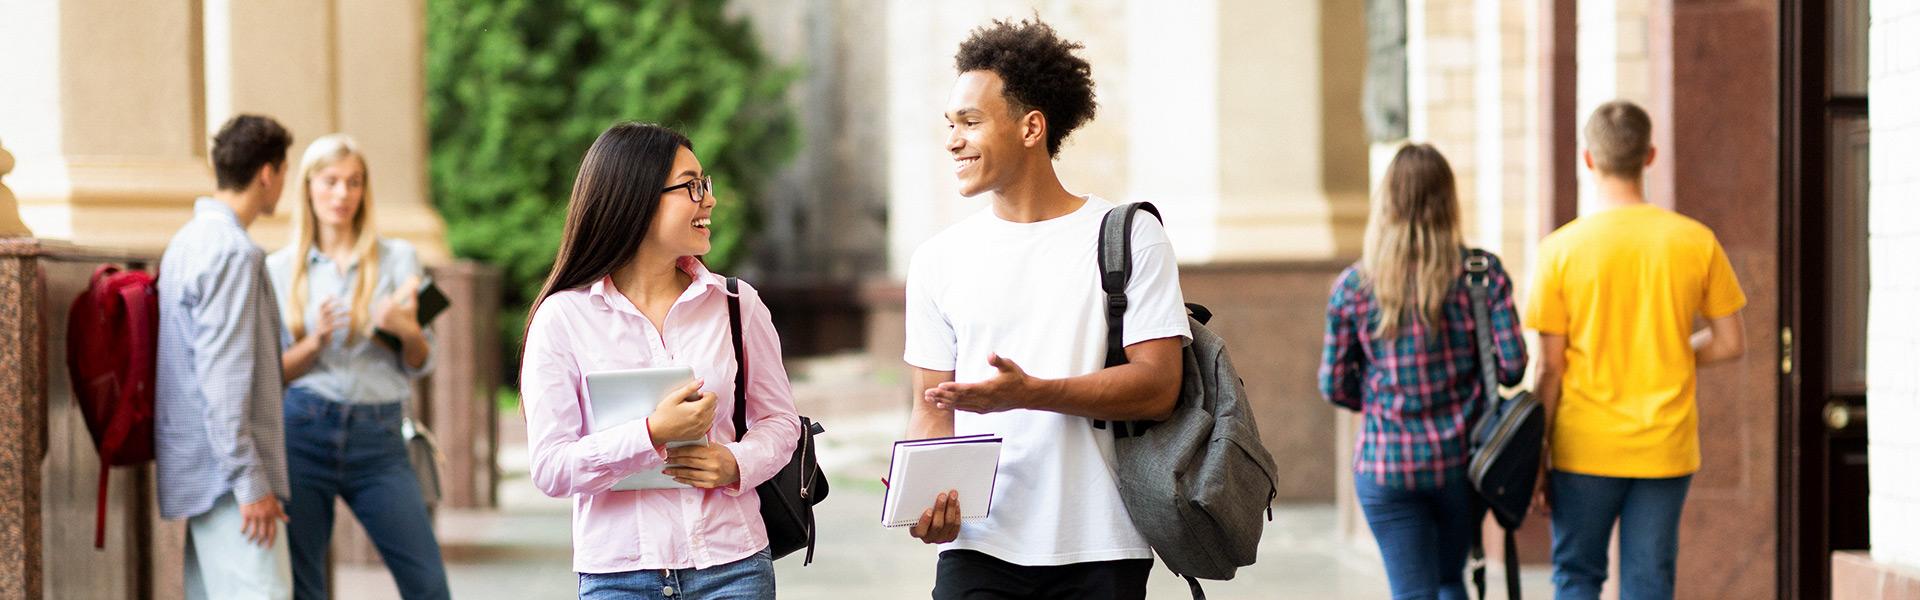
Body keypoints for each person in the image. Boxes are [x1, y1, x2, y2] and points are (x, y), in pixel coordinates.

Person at [901, 18, 1191, 600]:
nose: (952, 140)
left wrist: (1031, 391)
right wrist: (925, 502)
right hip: (978, 549)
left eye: (971, 122)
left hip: (1101, 546)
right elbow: (933, 410)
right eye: (950, 124)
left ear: (1031, 127)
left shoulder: (1131, 237)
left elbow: (1159, 387)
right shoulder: (937, 259)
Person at [519, 122, 801, 599]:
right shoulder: (563, 318)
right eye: (692, 187)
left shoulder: (736, 304)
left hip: (732, 567)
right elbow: (550, 467)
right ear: (637, 198)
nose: (708, 200)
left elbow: (779, 422)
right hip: (618, 576)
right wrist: (651, 434)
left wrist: (735, 462)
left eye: (704, 184)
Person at [1526, 100, 1747, 600]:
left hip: (1583, 445)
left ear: (1588, 160)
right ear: (1650, 157)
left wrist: (1539, 453)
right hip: (1664, 445)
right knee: (1649, 583)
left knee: (1578, 578)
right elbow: (1730, 342)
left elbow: (1551, 367)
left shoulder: (1560, 250)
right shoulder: (1694, 241)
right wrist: (1670, 350)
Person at [1319, 143, 1528, 600]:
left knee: (1411, 592)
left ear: (1386, 202)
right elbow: (1512, 368)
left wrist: (1379, 400)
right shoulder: (1482, 274)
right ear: (1448, 200)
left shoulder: (1354, 286)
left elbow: (1333, 383)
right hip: (1459, 462)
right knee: (1451, 581)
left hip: (1385, 463)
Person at [265, 134, 451, 600]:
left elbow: (422, 363)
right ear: (308, 187)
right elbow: (269, 375)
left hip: (380, 437)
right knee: (306, 586)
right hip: (302, 432)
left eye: (354, 182)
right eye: (330, 182)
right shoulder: (278, 269)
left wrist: (403, 328)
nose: (342, 194)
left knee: (428, 585)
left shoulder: (399, 259)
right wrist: (315, 343)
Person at [155, 114, 295, 599]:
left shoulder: (186, 243)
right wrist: (251, 483)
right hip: (230, 486)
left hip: (202, 475)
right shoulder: (234, 253)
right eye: (284, 172)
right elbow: (223, 381)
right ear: (267, 174)